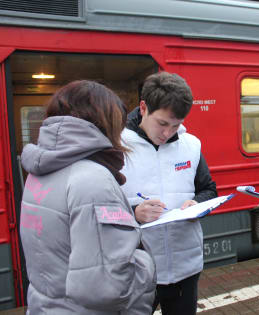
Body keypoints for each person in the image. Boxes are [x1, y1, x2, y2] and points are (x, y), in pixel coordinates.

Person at [19, 80, 156, 315]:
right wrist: (147, 263)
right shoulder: (93, 180)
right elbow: (107, 288)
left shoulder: (39, 172)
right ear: (106, 125)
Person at [120, 72, 217, 315]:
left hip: (185, 266)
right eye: (162, 124)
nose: (168, 133)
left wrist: (197, 204)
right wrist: (134, 213)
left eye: (176, 125)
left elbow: (209, 189)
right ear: (143, 107)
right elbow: (99, 207)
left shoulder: (191, 145)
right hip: (136, 267)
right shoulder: (117, 147)